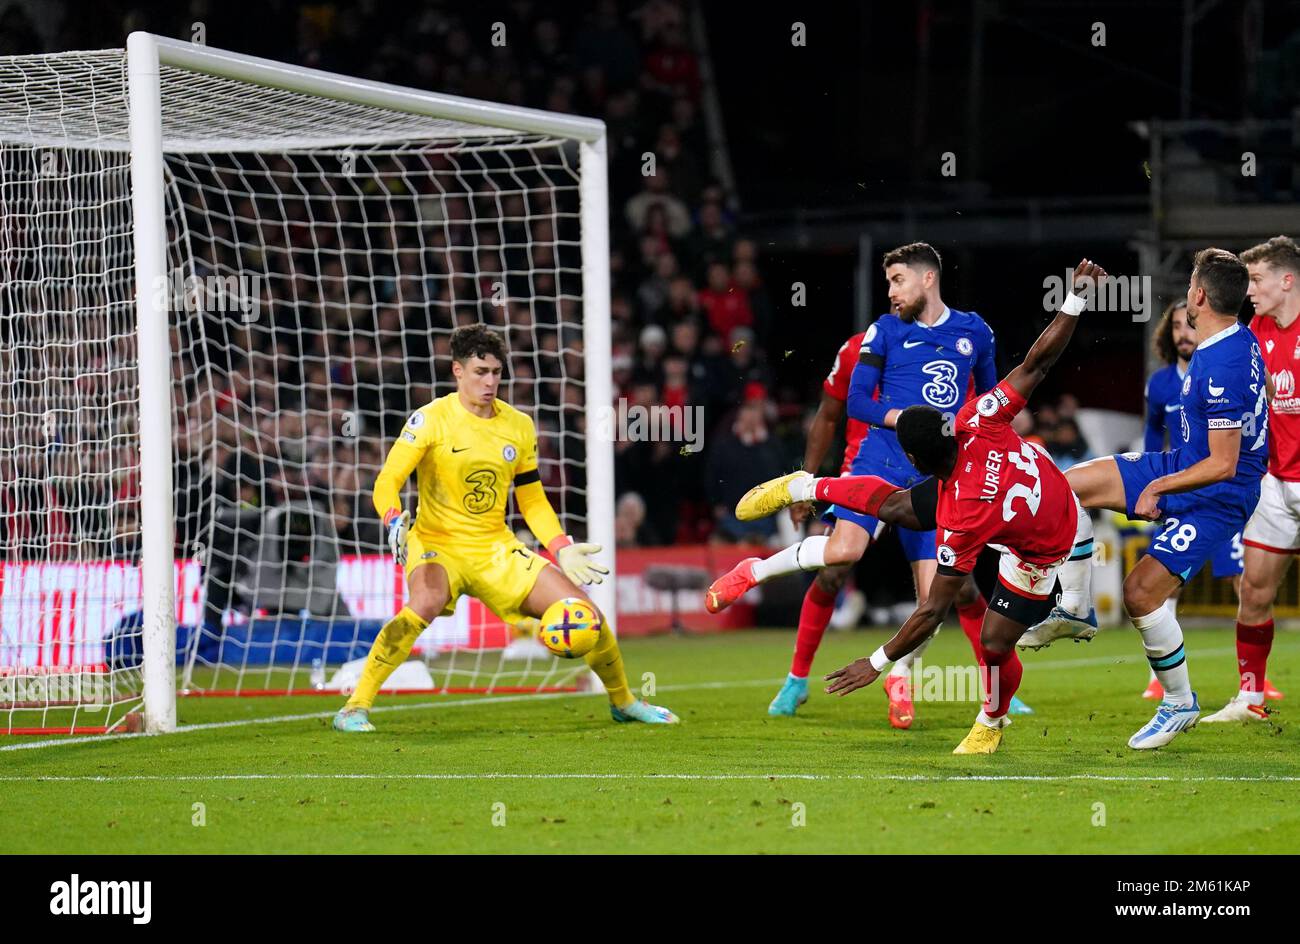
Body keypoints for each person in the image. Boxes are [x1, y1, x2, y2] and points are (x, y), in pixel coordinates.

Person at [723, 260, 1106, 753]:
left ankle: (992, 718)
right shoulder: (977, 416)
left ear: (914, 458)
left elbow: (931, 610)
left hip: (1046, 545)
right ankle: (807, 488)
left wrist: (875, 661)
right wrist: (1074, 299)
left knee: (993, 642)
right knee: (900, 509)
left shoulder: (962, 516)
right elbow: (1036, 364)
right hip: (1033, 492)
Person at [333, 325, 677, 732]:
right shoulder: (430, 419)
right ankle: (355, 706)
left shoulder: (518, 426)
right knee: (423, 604)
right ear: (457, 371)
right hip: (437, 543)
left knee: (588, 615)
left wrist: (560, 546)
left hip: (495, 548)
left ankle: (623, 702)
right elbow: (387, 480)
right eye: (480, 371)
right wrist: (392, 518)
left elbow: (531, 499)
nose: (490, 381)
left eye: (497, 372)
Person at [1033, 249, 1268, 749]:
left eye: (1190, 281)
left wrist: (1158, 488)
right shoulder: (1226, 342)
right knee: (1066, 485)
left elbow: (1224, 463)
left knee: (1140, 594)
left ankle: (1179, 702)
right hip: (1183, 462)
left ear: (1199, 295)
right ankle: (1074, 605)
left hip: (1216, 492)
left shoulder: (1223, 361)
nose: (1186, 289)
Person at [1123, 299, 1257, 701]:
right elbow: (1151, 438)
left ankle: (1252, 681)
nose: (1183, 333)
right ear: (1170, 333)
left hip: (1222, 488)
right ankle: (1160, 676)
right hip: (1178, 489)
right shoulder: (1161, 383)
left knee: (1243, 580)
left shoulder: (1222, 367)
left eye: (1188, 324)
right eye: (1177, 326)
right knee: (1161, 584)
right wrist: (1151, 481)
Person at [1200, 236, 1300, 721]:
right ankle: (1251, 698)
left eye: (1256, 280)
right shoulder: (1254, 331)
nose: (1249, 290)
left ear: (1287, 280)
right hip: (1274, 485)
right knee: (1254, 589)